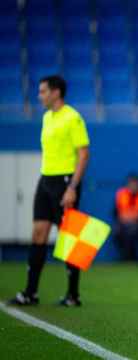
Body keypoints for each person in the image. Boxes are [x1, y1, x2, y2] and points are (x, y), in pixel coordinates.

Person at [7, 75, 90, 307]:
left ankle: (73, 295)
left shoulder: (73, 118)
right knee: (38, 234)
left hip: (65, 183)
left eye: (43, 91)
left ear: (56, 92)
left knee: (70, 239)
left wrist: (72, 188)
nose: (39, 96)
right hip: (46, 181)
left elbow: (83, 155)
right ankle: (30, 292)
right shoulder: (46, 117)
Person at [113, 173, 138, 262]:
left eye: (135, 183)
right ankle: (127, 256)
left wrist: (134, 218)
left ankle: (131, 257)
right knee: (118, 231)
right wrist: (124, 218)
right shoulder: (121, 194)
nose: (133, 186)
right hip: (123, 223)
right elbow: (115, 212)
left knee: (132, 231)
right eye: (131, 183)